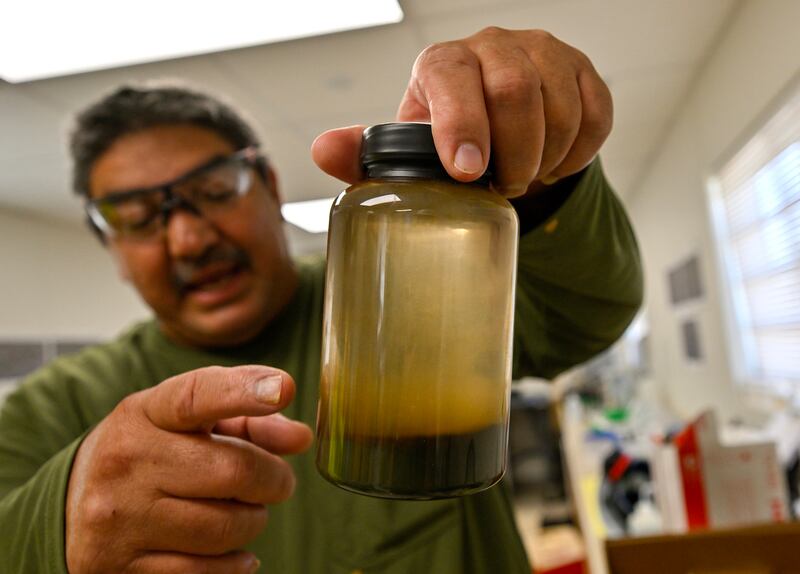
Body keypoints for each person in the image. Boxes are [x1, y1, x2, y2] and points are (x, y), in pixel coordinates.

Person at [0, 27, 642, 573]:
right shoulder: (52, 410)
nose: (190, 237)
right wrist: (55, 524)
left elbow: (583, 314)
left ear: (270, 186)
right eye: (137, 215)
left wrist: (536, 182)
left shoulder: (409, 283)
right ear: (110, 248)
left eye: (216, 188)